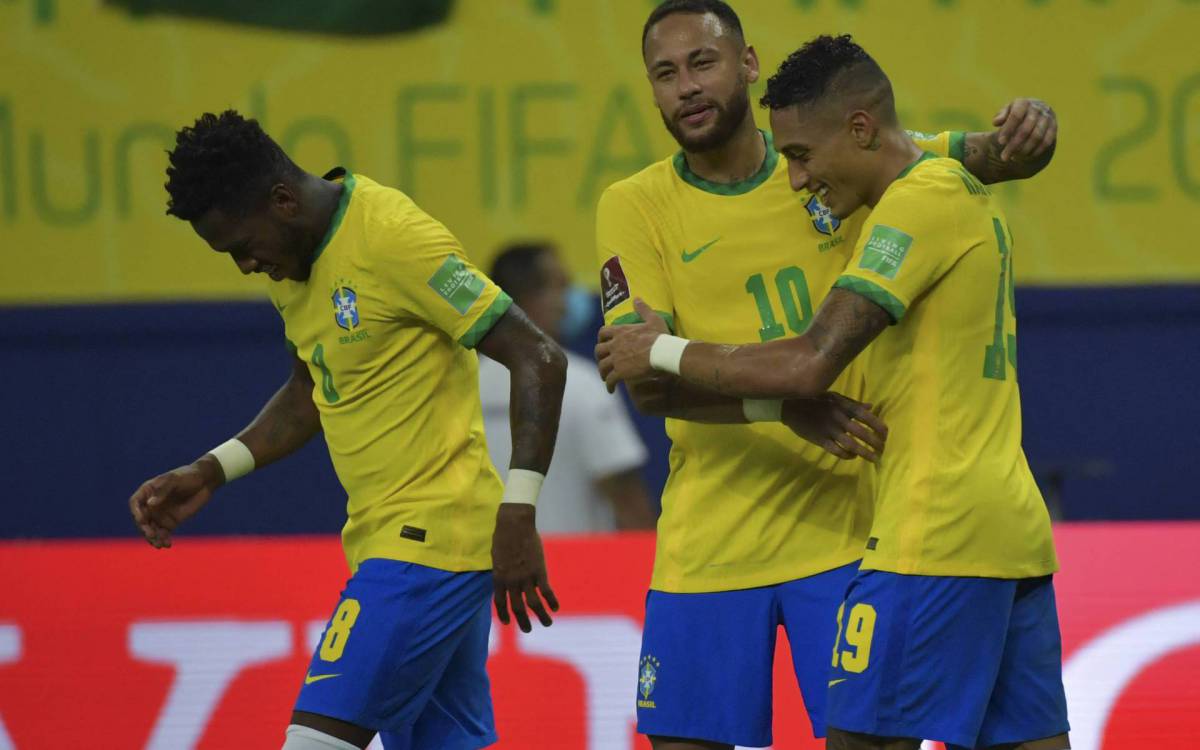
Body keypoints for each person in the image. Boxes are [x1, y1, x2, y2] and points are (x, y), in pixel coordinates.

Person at [595, 2, 1058, 748]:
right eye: (664, 73)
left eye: (703, 62)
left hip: (873, 532)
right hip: (714, 543)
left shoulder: (867, 171)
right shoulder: (638, 205)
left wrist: (1034, 127)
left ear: (747, 64)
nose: (686, 86)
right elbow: (645, 383)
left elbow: (992, 153)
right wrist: (778, 408)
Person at [127, 110, 567, 750]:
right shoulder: (292, 261)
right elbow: (313, 385)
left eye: (243, 247)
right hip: (398, 543)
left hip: (428, 545)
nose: (246, 266)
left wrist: (519, 510)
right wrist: (213, 469)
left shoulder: (394, 238)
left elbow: (538, 356)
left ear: (283, 201)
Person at [478, 242, 656, 534]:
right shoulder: (578, 383)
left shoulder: (466, 387)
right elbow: (628, 500)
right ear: (528, 298)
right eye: (561, 287)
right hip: (574, 562)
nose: (569, 301)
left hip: (491, 561)